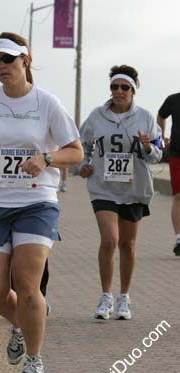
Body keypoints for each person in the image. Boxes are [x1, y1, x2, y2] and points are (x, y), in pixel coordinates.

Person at [0, 32, 83, 373]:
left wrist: (46, 158)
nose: (1, 67)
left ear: (25, 61)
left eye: (8, 60)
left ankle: (34, 360)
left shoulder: (48, 104)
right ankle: (21, 322)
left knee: (28, 284)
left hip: (36, 202)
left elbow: (75, 152)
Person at [79, 65, 162, 320]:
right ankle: (106, 296)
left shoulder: (145, 117)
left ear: (133, 90)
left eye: (124, 87)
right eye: (114, 87)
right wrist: (83, 165)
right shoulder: (95, 116)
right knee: (109, 240)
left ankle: (124, 297)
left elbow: (157, 155)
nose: (119, 91)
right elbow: (82, 145)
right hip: (103, 187)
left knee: (127, 244)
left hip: (134, 188)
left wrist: (148, 147)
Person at [157, 95, 180, 256]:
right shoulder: (173, 100)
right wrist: (161, 138)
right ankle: (179, 238)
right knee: (178, 196)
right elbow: (161, 115)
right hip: (176, 154)